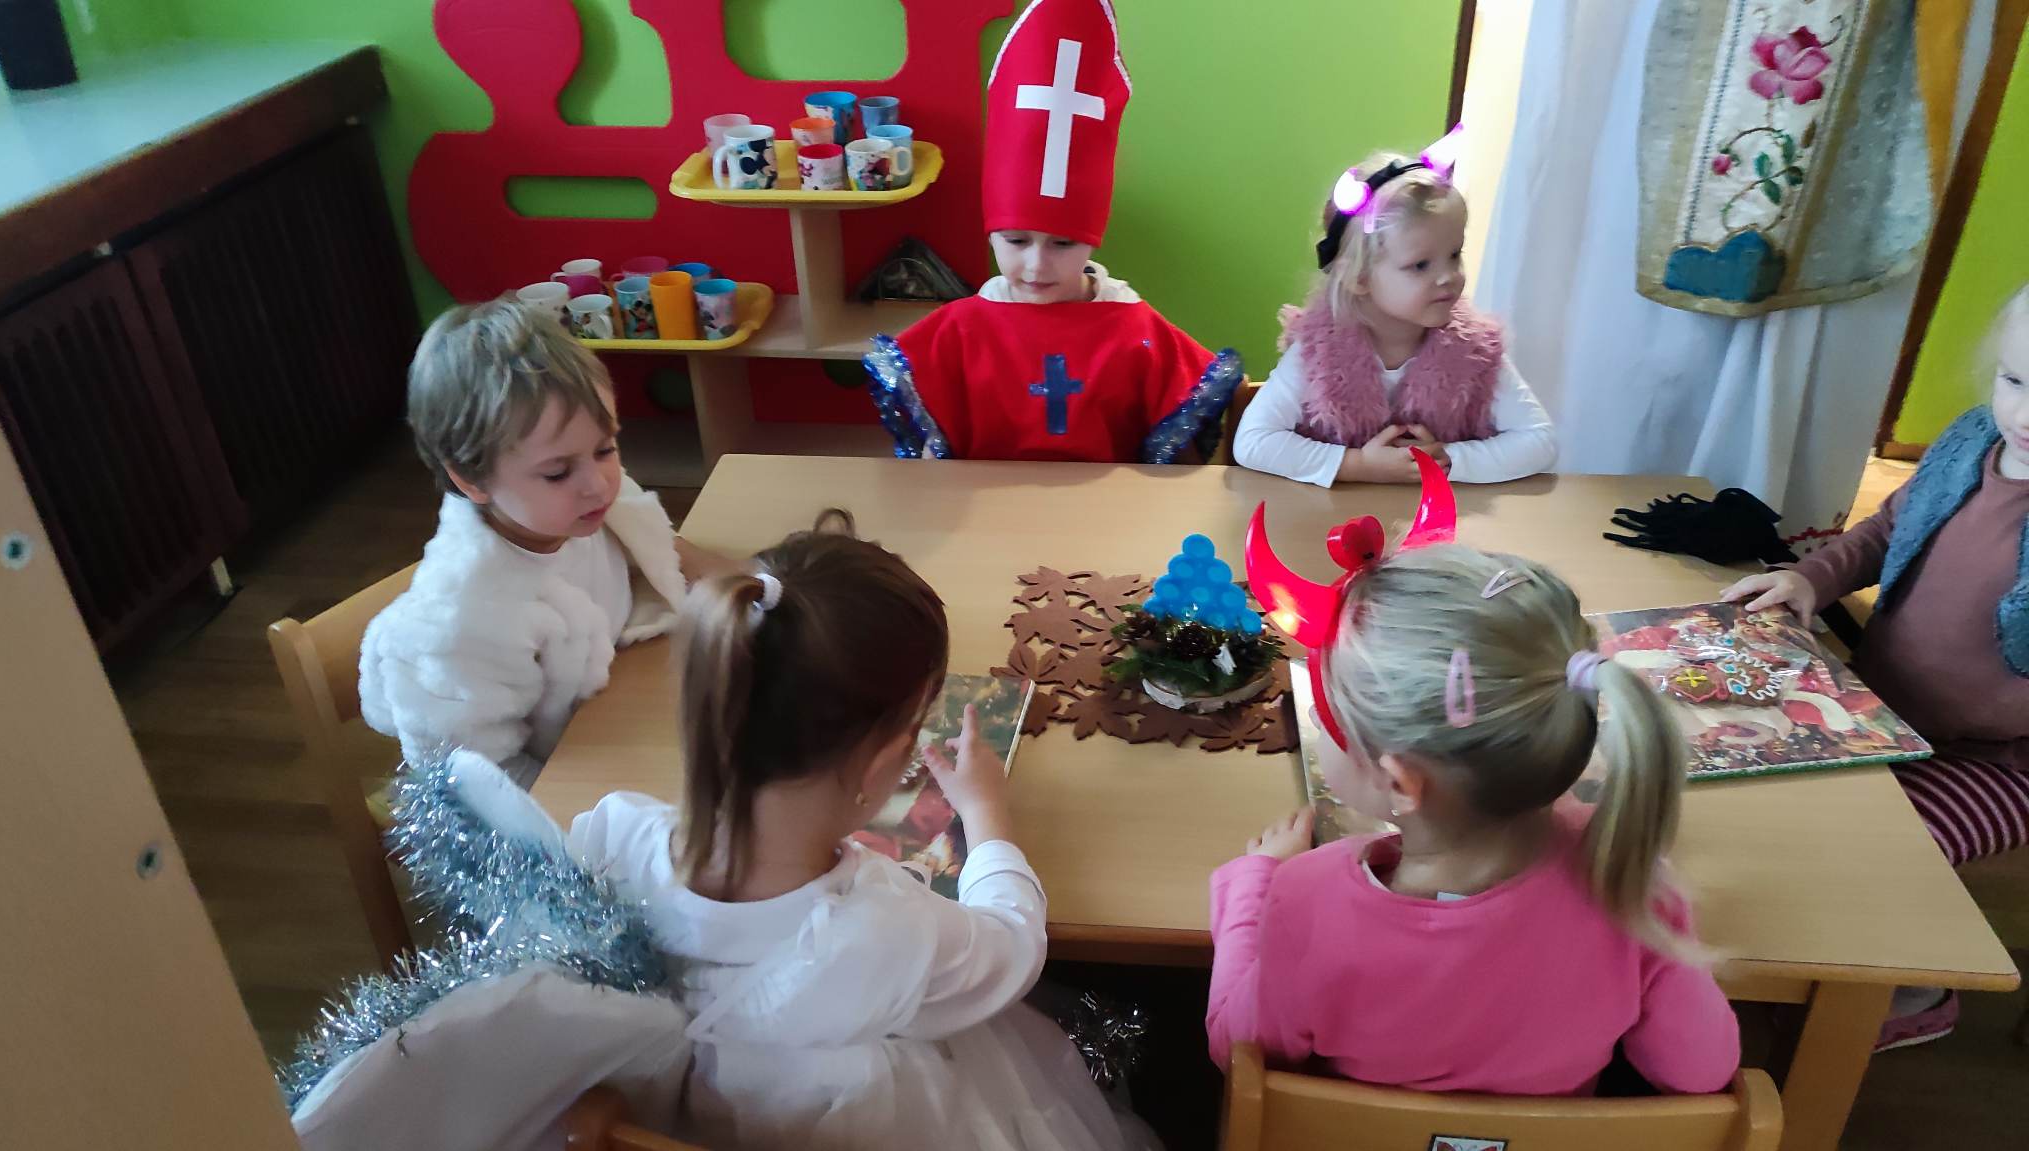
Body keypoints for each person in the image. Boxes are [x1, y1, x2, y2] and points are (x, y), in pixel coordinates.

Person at [566, 510, 1158, 1149]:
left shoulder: (613, 834)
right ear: (884, 764)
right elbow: (1012, 948)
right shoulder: (882, 927)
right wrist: (987, 814)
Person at [1208, 545, 1738, 1095]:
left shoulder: (1307, 900)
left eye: (1326, 720)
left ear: (1400, 784)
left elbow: (1237, 1052)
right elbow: (1699, 1070)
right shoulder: (1628, 875)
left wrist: (1254, 882)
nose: (1318, 723)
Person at [1721, 283, 2029, 1049]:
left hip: (1999, 762)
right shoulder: (1972, 444)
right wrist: (1812, 578)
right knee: (1765, 807)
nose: (2025, 415)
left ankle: (1915, 988)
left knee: (1879, 853)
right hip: (1881, 711)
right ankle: (1801, 953)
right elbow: (1888, 528)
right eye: (2016, 380)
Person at [359, 298, 731, 779]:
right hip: (557, 781)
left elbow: (663, 545)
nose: (600, 483)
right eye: (557, 472)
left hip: (623, 703)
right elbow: (482, 781)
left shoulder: (578, 502)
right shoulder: (464, 625)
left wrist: (750, 583)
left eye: (606, 448)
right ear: (472, 480)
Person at [862, 0, 1239, 464]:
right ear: (991, 235)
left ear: (1092, 239)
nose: (1037, 265)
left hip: (1106, 503)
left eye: (1062, 243)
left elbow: (1181, 463)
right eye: (1016, 241)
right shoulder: (960, 331)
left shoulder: (1133, 328)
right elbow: (931, 472)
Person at [1234, 133, 1557, 485]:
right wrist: (1358, 465)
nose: (1449, 277)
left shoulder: (1474, 351)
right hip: (1336, 516)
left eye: (1454, 255)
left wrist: (1447, 460)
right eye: (1420, 265)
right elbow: (1253, 442)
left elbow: (1540, 440)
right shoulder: (1318, 352)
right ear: (1359, 277)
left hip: (1437, 518)